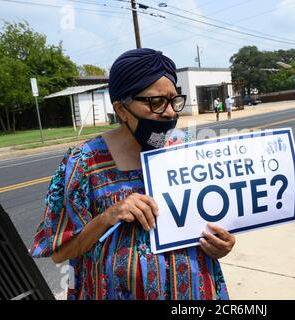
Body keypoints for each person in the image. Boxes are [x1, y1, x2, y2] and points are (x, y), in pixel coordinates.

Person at [30, 48, 235, 300]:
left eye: (173, 101)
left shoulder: (187, 149)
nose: (170, 112)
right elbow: (60, 252)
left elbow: (212, 222)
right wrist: (109, 216)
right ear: (122, 109)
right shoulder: (84, 162)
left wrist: (221, 245)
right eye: (156, 102)